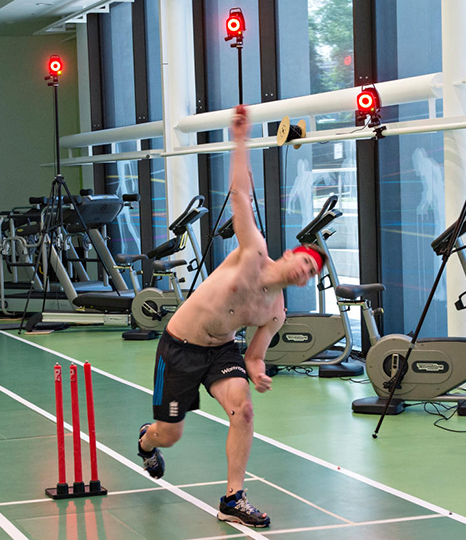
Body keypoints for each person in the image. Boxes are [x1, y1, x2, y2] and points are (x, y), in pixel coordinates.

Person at [136, 104, 326, 528]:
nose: (305, 272)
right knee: (171, 433)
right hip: (179, 347)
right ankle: (147, 442)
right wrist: (240, 139)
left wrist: (256, 370)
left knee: (244, 410)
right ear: (290, 255)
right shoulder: (252, 252)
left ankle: (233, 498)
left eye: (312, 273)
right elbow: (241, 194)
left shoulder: (275, 312)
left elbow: (255, 355)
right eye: (305, 262)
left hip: (220, 351)